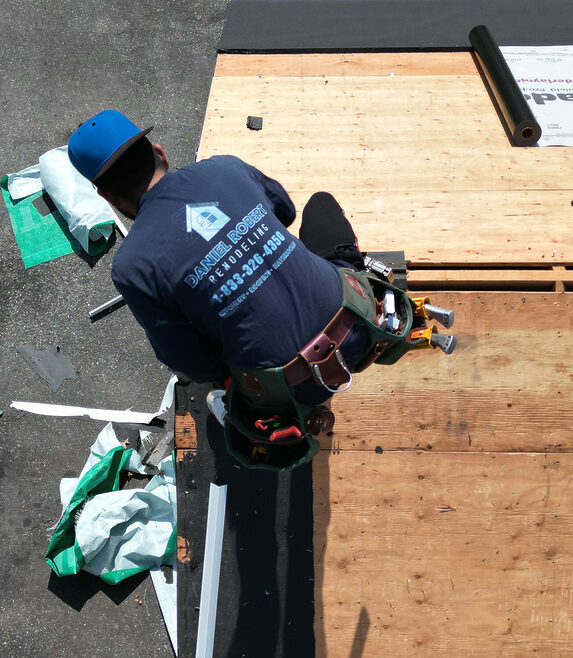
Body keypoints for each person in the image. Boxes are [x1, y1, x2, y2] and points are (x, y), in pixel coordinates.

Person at [68, 110, 440, 470]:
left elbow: (191, 363)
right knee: (320, 206)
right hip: (363, 326)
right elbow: (287, 213)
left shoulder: (133, 265)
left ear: (108, 197)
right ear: (160, 153)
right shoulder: (224, 167)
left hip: (287, 394)